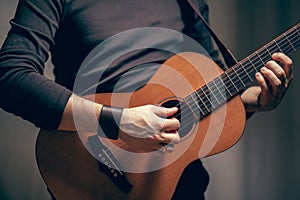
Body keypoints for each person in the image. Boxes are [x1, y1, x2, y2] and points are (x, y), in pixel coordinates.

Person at [0, 0, 293, 199]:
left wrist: (252, 100)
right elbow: (10, 76)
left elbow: (212, 87)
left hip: (179, 186)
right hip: (96, 175)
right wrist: (118, 122)